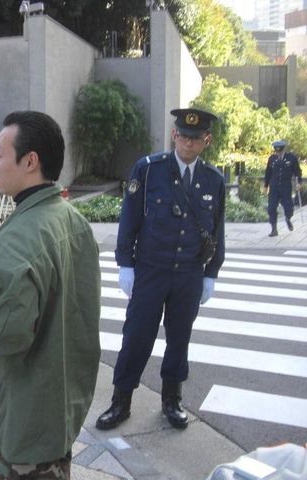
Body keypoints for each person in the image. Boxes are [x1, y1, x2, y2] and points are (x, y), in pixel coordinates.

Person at [0, 111, 101, 479]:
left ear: (30, 162)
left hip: (27, 416)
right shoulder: (74, 221)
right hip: (64, 403)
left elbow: (1, 333)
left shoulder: (19, 238)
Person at [95, 108, 225, 431]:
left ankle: (172, 400)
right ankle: (120, 401)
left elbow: (218, 229)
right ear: (173, 135)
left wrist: (211, 273)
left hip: (188, 274)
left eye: (195, 138)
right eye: (183, 135)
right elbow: (130, 219)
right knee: (137, 337)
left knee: (179, 339)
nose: (188, 143)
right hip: (151, 270)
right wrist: (125, 263)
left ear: (205, 141)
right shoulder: (149, 170)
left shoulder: (214, 180)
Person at [264, 140, 302, 237]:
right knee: (271, 208)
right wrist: (265, 186)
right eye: (277, 151)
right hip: (274, 187)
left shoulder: (291, 158)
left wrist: (299, 183)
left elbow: (297, 171)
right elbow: (268, 173)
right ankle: (274, 229)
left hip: (286, 187)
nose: (278, 153)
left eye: (280, 151)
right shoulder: (272, 158)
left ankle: (288, 218)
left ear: (284, 149)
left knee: (289, 208)